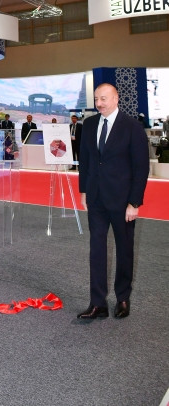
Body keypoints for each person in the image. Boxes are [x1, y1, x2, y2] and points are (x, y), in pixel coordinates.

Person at [77, 83, 149, 321]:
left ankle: (123, 298)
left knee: (125, 250)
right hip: (96, 199)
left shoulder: (132, 127)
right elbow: (85, 160)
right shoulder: (88, 125)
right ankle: (97, 303)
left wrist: (134, 203)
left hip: (123, 201)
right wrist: (84, 191)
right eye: (96, 99)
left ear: (116, 99)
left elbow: (141, 167)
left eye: (104, 99)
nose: (99, 103)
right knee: (96, 250)